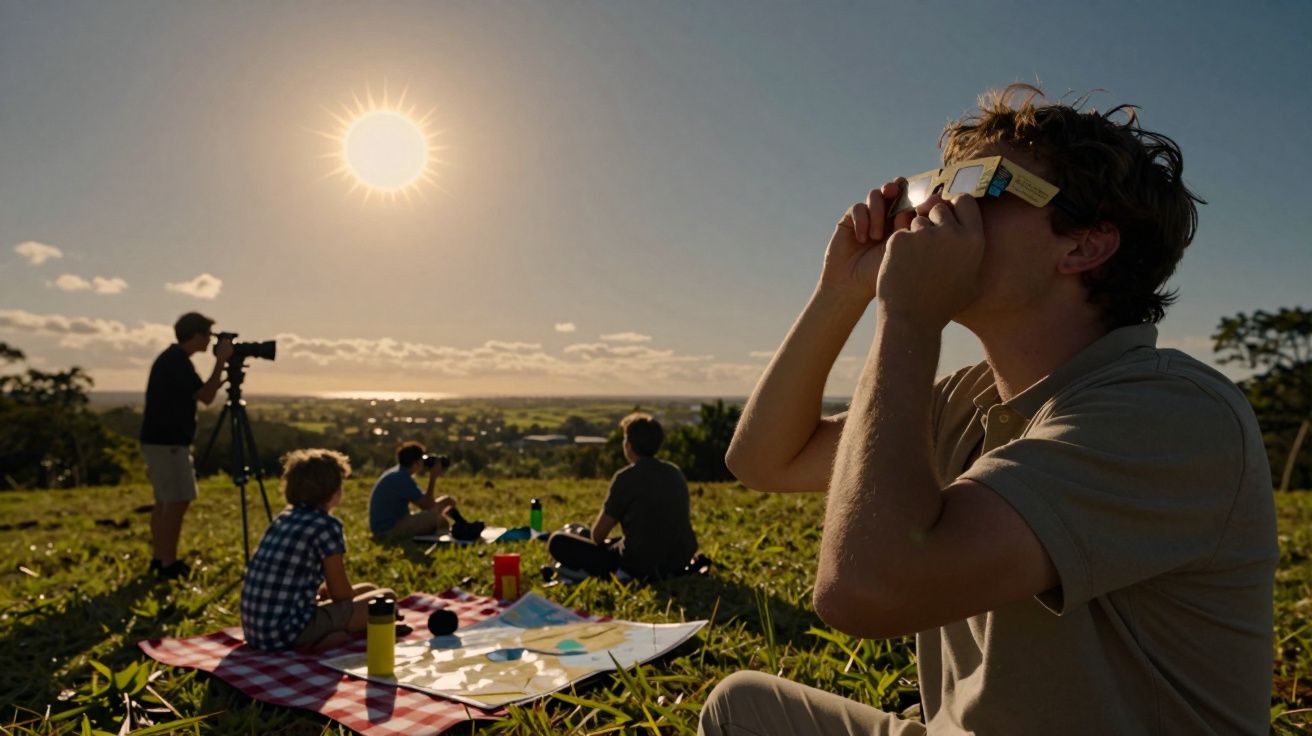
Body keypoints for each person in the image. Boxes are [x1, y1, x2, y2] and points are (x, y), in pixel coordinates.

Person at [700, 85, 1277, 735]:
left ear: (1084, 246)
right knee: (741, 707)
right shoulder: (968, 399)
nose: (939, 210)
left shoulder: (1170, 415)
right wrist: (841, 290)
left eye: (981, 185)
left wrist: (909, 318)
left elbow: (866, 591)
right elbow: (765, 460)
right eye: (938, 186)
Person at [240, 448, 395, 652]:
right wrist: (342, 603)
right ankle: (316, 641)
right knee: (387, 599)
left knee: (369, 589)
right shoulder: (326, 525)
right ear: (334, 491)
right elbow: (341, 594)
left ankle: (328, 632)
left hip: (255, 631)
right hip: (287, 634)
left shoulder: (283, 518)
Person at [547, 413, 699, 581]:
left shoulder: (626, 477)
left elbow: (597, 536)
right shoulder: (674, 472)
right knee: (580, 530)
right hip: (680, 558)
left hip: (639, 564)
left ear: (629, 445)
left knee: (557, 540)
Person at [139, 311, 233, 579]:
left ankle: (160, 558)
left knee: (165, 502)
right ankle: (167, 563)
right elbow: (206, 396)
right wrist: (221, 362)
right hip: (168, 443)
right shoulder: (177, 361)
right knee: (177, 501)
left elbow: (200, 392)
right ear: (195, 335)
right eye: (208, 335)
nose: (210, 341)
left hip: (159, 441)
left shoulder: (173, 359)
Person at [367, 441, 480, 540]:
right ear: (416, 462)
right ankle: (461, 530)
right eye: (422, 459)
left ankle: (462, 524)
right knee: (438, 520)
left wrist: (446, 502)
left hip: (387, 525)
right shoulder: (401, 478)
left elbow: (425, 503)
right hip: (388, 530)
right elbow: (428, 506)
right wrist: (433, 477)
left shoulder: (398, 473)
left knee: (447, 503)